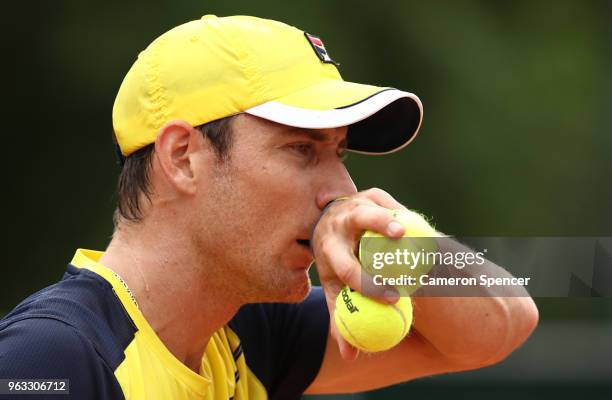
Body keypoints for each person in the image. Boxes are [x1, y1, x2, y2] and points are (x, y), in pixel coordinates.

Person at [0, 15, 538, 399]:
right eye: (301, 149)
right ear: (182, 158)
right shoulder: (52, 359)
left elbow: (504, 326)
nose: (341, 190)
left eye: (338, 152)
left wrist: (400, 242)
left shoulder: (248, 329)